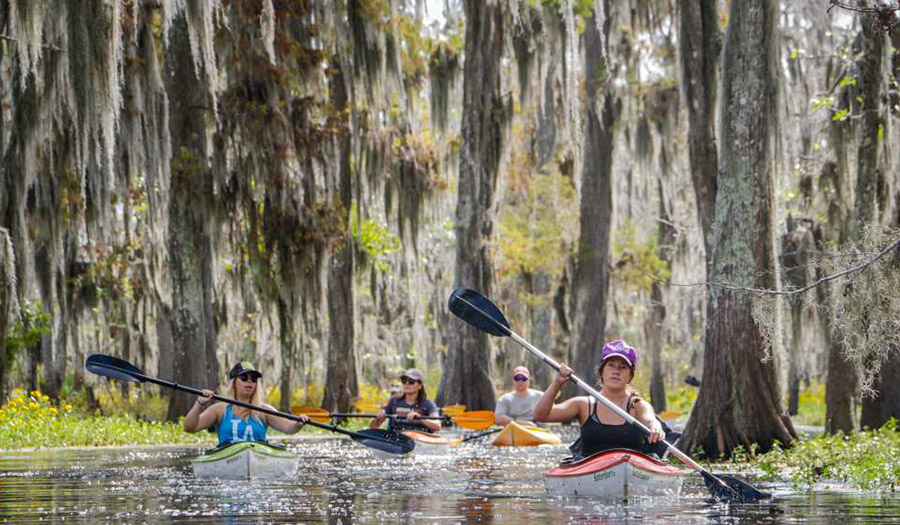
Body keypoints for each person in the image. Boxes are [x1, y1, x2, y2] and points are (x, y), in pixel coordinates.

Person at [533, 340, 667, 459]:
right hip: (590, 470)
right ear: (602, 371)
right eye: (611, 365)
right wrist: (557, 383)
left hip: (631, 467)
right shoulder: (583, 405)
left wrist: (656, 428)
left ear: (630, 376)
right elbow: (541, 415)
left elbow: (650, 421)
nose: (616, 371)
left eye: (623, 367)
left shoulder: (638, 405)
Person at [183, 361, 308, 445]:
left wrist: (298, 424)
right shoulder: (219, 410)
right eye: (244, 378)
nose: (249, 382)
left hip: (259, 458)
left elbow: (288, 428)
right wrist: (200, 403)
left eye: (253, 379)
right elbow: (189, 428)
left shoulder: (264, 410)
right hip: (228, 459)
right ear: (234, 383)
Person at [371, 368, 441, 433]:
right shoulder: (393, 402)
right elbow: (374, 426)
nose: (407, 384)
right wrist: (377, 419)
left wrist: (420, 419)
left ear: (420, 385)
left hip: (420, 439)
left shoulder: (428, 405)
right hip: (396, 439)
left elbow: (437, 426)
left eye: (411, 381)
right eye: (404, 381)